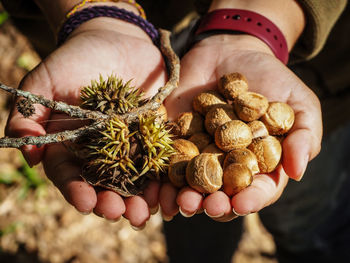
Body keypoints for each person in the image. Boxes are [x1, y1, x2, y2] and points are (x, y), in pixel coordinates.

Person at [1, 0, 349, 262]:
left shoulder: (248, 119)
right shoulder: (181, 146)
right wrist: (94, 17)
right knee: (190, 217)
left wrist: (253, 24)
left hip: (310, 59)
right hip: (134, 45)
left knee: (309, 215)